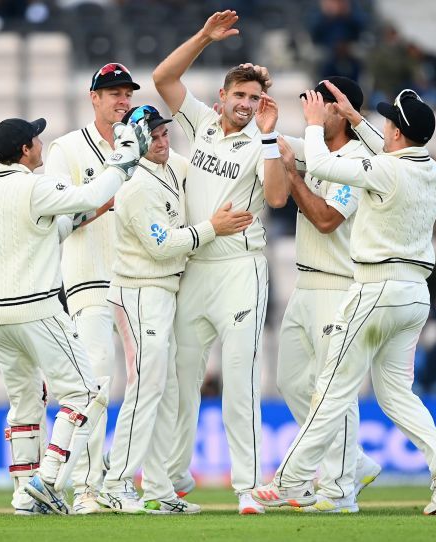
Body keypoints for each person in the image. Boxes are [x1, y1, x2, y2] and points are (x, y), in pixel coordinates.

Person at [254, 86, 436, 515]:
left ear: (394, 133)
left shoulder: (383, 170)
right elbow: (386, 149)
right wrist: (356, 120)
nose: (384, 129)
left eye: (388, 123)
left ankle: (291, 481)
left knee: (331, 390)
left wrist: (316, 125)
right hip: (414, 297)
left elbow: (320, 164)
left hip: (376, 290)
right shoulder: (433, 172)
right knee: (396, 396)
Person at [0, 115, 150, 515]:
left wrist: (94, 212)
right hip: (35, 306)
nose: (40, 143)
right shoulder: (35, 186)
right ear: (24, 149)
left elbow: (50, 231)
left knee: (25, 402)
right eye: (35, 139)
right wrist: (125, 156)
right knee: (86, 391)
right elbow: (91, 193)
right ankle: (48, 479)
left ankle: (23, 494)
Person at [152, 10, 288, 514]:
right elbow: (163, 78)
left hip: (240, 268)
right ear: (222, 99)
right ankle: (169, 481)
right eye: (241, 97)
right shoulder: (202, 123)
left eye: (255, 99)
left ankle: (249, 488)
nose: (248, 106)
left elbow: (275, 199)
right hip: (196, 266)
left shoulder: (264, 141)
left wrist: (271, 136)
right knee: (180, 379)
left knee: (240, 379)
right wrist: (206, 38)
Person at [97, 105, 253, 514]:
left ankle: (159, 489)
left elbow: (208, 169)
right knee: (147, 385)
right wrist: (211, 229)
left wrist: (220, 126)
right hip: (138, 292)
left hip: (163, 294)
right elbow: (162, 245)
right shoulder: (136, 188)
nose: (164, 141)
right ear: (138, 141)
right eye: (155, 136)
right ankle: (115, 482)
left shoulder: (169, 168)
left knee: (165, 391)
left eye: (166, 134)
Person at [274, 76, 381, 513]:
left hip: (339, 284)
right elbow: (272, 142)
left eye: (325, 103)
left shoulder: (357, 160)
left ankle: (339, 491)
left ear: (344, 111)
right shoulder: (314, 147)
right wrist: (262, 120)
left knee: (332, 391)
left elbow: (325, 219)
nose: (314, 110)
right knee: (291, 382)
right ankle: (353, 461)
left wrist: (293, 175)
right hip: (305, 283)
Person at [43, 61, 140, 514]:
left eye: (127, 94)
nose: (122, 101)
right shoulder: (64, 149)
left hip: (143, 279)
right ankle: (85, 485)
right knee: (98, 381)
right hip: (90, 278)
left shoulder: (142, 144)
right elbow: (61, 219)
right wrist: (104, 202)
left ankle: (131, 482)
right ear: (94, 98)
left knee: (147, 385)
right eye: (114, 94)